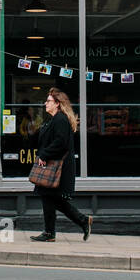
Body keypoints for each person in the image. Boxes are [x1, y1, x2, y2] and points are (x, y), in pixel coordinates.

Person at [30, 87, 92, 242]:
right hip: (54, 166)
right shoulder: (54, 119)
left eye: (49, 101)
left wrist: (44, 154)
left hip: (58, 168)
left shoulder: (60, 120)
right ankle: (80, 221)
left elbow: (61, 142)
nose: (46, 103)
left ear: (57, 103)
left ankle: (51, 232)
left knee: (51, 198)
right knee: (52, 199)